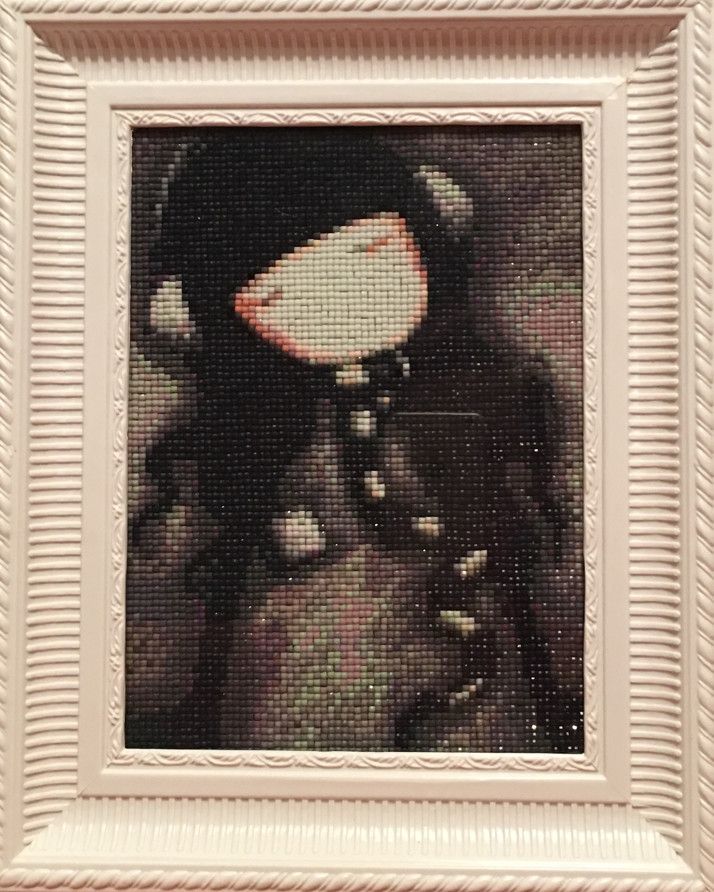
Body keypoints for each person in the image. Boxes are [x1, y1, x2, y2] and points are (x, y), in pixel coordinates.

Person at [127, 127, 580, 752]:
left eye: (372, 254)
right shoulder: (266, 439)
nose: (341, 304)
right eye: (279, 295)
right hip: (318, 680)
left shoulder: (475, 400)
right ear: (220, 319)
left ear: (426, 236)